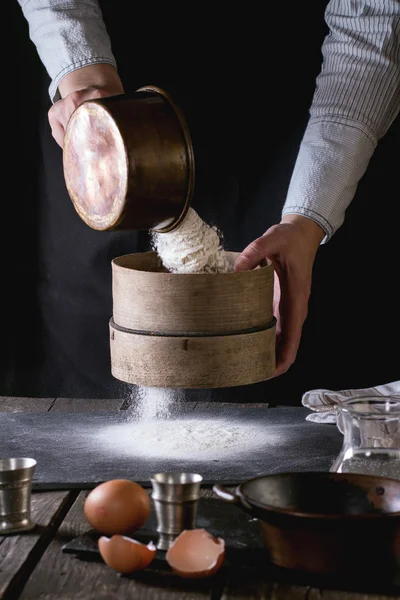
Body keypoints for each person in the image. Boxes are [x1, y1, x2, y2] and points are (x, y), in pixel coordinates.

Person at [13, 0, 400, 399]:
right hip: (105, 141)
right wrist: (83, 73)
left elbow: (369, 27)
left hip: (294, 143)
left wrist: (307, 219)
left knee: (280, 399)